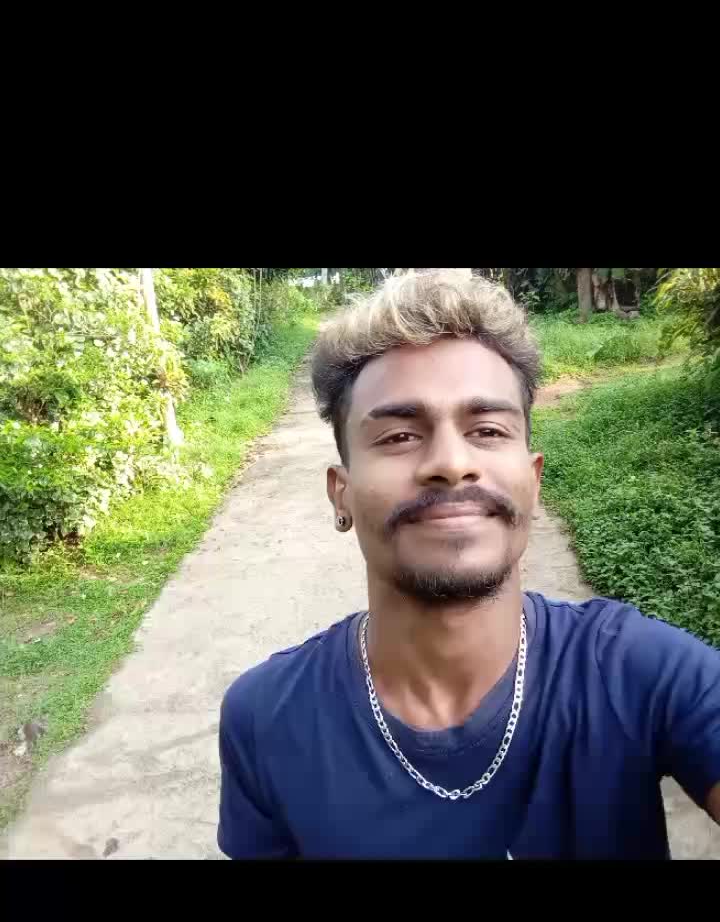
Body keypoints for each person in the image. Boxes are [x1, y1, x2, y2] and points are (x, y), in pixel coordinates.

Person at [218, 270, 720, 859]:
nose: (452, 463)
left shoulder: (642, 673)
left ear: (532, 481)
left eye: (487, 430)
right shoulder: (266, 720)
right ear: (341, 493)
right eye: (399, 436)